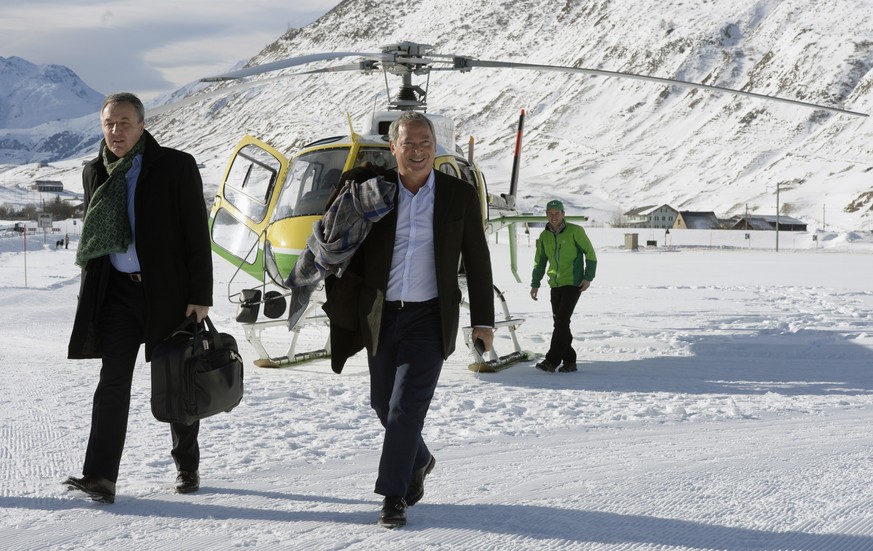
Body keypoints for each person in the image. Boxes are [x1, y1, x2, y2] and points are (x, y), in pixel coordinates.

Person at [322, 111, 495, 528]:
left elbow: (477, 258)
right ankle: (419, 457)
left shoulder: (458, 194)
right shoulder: (374, 193)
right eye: (409, 143)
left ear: (434, 148)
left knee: (404, 410)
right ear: (393, 148)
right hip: (381, 315)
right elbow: (336, 238)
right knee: (382, 403)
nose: (417, 151)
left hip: (430, 317)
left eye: (424, 143)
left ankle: (393, 495)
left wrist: (484, 321)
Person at [64, 92, 213, 504]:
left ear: (142, 125)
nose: (116, 131)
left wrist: (200, 294)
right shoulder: (94, 171)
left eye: (125, 122)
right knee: (112, 383)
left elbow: (196, 234)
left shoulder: (175, 166)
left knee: (177, 381)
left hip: (170, 296)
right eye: (110, 123)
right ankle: (100, 477)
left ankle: (187, 464)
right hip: (118, 295)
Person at [530, 199, 597, 373]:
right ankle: (570, 361)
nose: (554, 217)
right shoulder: (544, 236)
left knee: (561, 322)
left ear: (563, 214)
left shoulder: (576, 231)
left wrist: (588, 277)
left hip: (573, 283)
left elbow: (590, 254)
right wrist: (535, 283)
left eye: (557, 213)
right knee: (560, 324)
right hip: (555, 284)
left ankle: (551, 361)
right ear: (546, 215)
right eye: (550, 214)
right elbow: (540, 262)